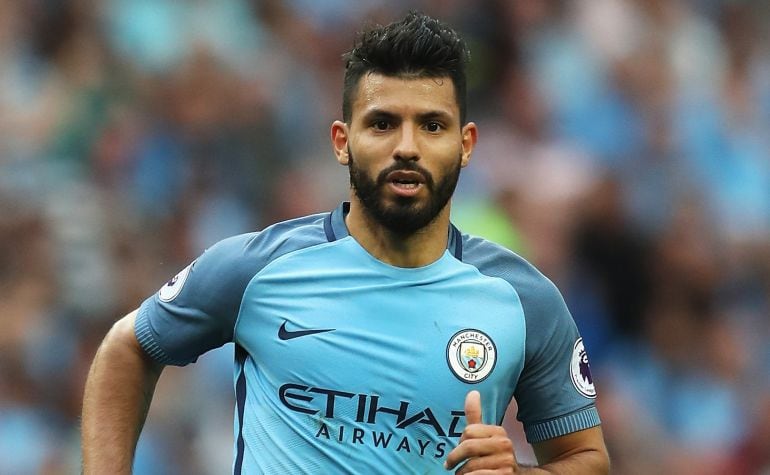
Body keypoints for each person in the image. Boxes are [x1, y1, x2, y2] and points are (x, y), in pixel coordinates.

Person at [81, 11, 609, 474]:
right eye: (382, 123)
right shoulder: (256, 271)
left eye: (431, 125)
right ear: (342, 141)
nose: (407, 147)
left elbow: (587, 460)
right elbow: (127, 348)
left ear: (465, 144)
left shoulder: (524, 301)